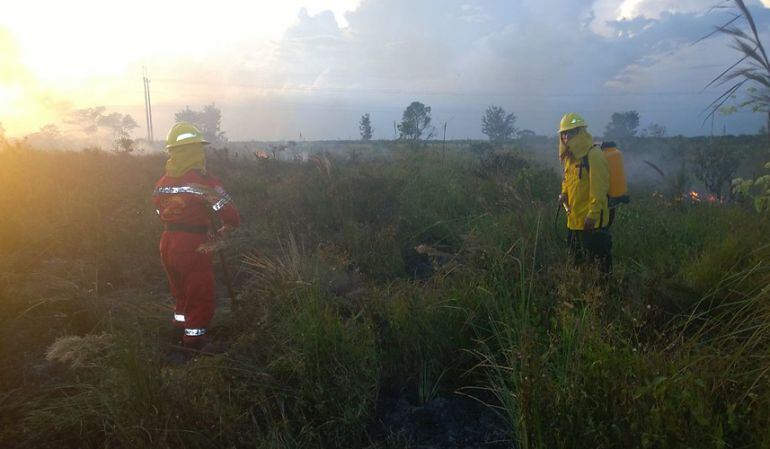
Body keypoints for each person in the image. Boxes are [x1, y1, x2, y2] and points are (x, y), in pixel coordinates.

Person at [153, 122, 241, 352]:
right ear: (194, 150)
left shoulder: (163, 182)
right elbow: (229, 211)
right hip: (193, 245)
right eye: (198, 148)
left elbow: (157, 210)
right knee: (200, 295)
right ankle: (194, 343)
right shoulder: (203, 180)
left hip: (167, 243)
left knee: (181, 292)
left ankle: (178, 330)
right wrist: (227, 227)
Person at [557, 113, 612, 274]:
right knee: (576, 263)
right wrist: (563, 195)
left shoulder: (593, 155)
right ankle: (581, 292)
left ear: (580, 132)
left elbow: (600, 189)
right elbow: (567, 181)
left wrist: (592, 215)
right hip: (573, 220)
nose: (566, 137)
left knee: (599, 266)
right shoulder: (569, 157)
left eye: (571, 133)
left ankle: (605, 294)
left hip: (592, 223)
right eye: (564, 133)